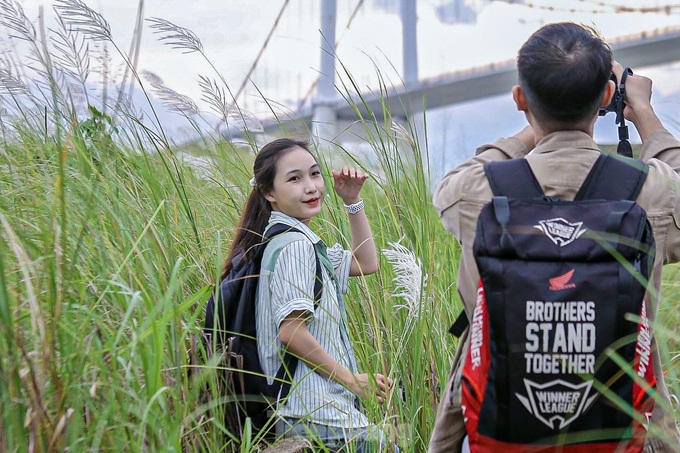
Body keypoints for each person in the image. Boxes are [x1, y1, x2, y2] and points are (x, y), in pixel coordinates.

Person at [429, 22, 680, 452]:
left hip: (499, 425)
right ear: (606, 97)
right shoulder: (650, 191)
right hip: (622, 432)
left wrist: (534, 125)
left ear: (520, 99)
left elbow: (456, 182)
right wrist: (642, 110)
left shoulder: (475, 192)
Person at [222, 138, 397, 451]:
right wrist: (352, 380)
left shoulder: (288, 242)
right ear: (268, 192)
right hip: (308, 406)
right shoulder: (295, 248)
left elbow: (366, 262)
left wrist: (352, 202)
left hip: (306, 405)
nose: (311, 187)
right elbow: (291, 332)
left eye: (315, 174)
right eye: (294, 178)